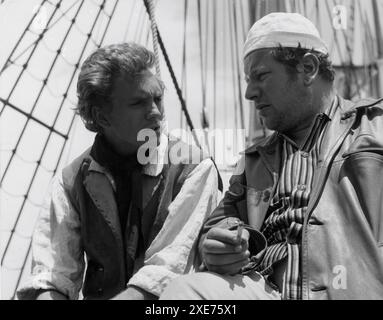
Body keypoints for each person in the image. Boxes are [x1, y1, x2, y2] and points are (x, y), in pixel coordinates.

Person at [160, 12, 383, 300]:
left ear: (308, 68)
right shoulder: (254, 161)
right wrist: (218, 243)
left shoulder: (374, 129)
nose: (249, 93)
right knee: (182, 298)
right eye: (247, 80)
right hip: (265, 293)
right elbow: (221, 222)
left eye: (261, 76)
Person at [17, 42, 220, 300]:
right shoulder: (71, 182)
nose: (156, 113)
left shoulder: (193, 170)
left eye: (158, 98)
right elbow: (54, 277)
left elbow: (166, 276)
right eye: (139, 103)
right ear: (101, 117)